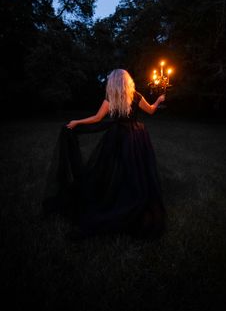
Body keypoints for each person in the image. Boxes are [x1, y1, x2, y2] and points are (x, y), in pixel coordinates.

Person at [42, 69, 167, 240]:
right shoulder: (135, 95)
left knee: (114, 168)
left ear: (113, 82)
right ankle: (131, 197)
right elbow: (151, 110)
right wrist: (159, 100)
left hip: (118, 136)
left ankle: (117, 197)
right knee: (133, 168)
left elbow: (96, 118)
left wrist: (78, 122)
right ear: (127, 80)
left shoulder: (111, 98)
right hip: (135, 136)